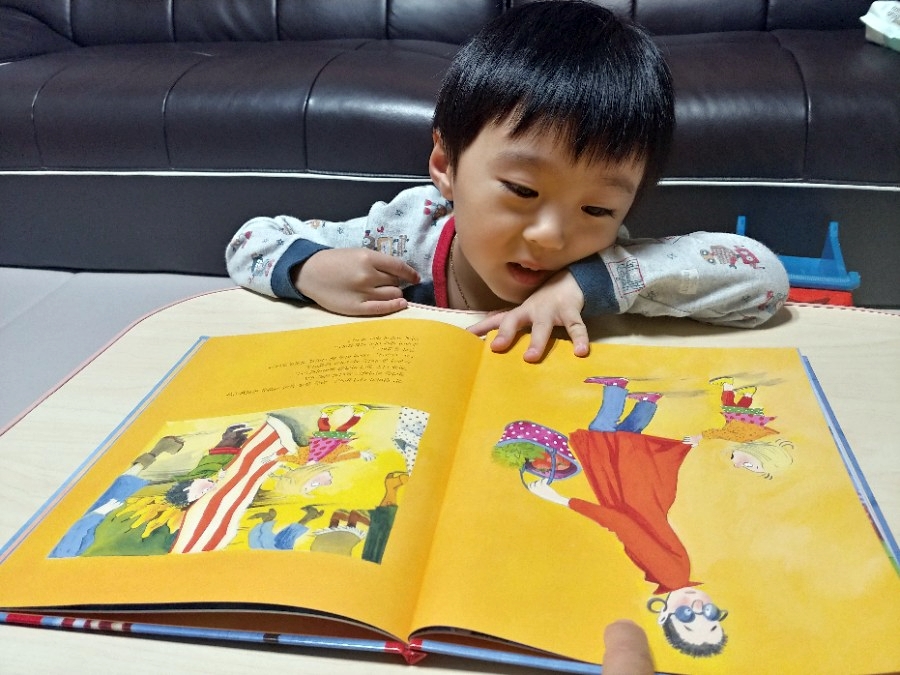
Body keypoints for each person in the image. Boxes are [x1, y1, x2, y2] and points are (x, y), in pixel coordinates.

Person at [226, 1, 789, 362]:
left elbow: (765, 282)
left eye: (597, 209)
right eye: (522, 190)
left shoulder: (609, 266)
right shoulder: (401, 236)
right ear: (445, 165)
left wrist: (591, 286)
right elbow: (250, 239)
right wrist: (308, 269)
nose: (551, 236)